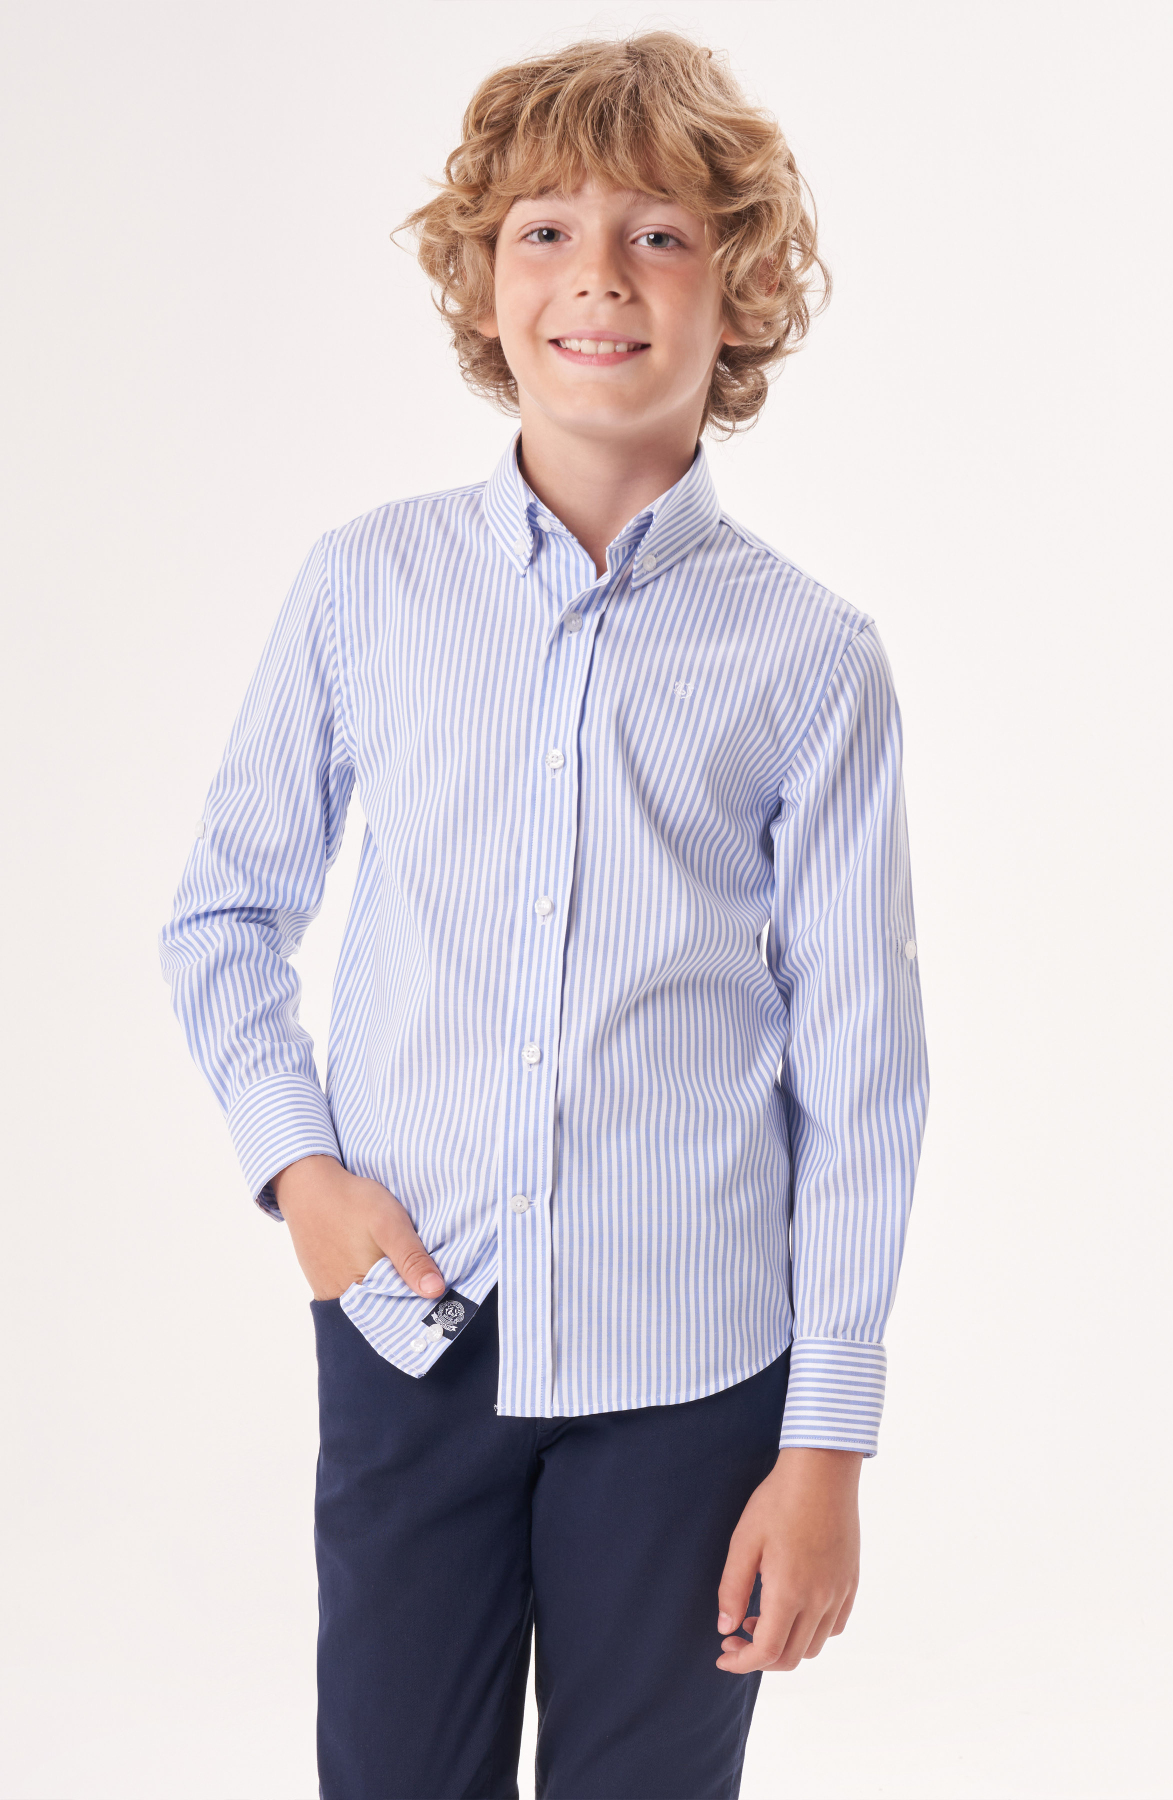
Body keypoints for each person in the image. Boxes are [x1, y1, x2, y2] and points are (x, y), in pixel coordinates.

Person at [160, 29, 929, 1800]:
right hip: (406, 1328)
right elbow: (223, 915)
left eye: (657, 235)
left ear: (740, 290)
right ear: (482, 280)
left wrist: (827, 1444)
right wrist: (303, 1175)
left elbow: (864, 1072)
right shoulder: (366, 586)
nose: (598, 278)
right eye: (546, 232)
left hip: (693, 1374)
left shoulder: (811, 658)